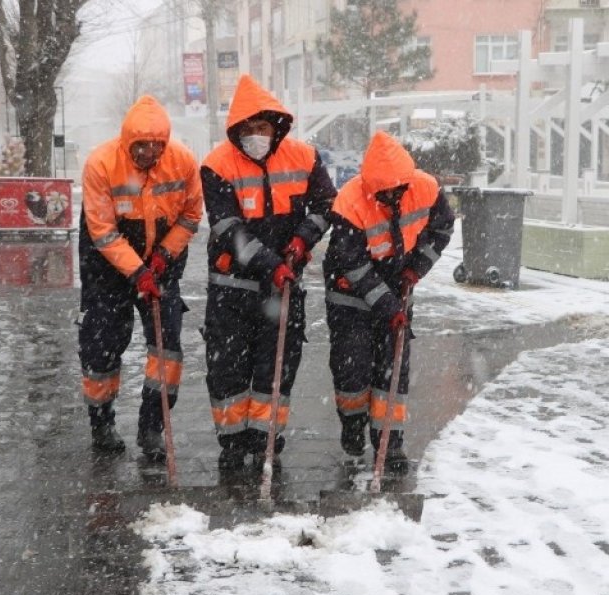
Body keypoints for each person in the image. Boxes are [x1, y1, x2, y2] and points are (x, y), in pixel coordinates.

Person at [201, 74, 338, 469]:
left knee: (275, 368)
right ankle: (231, 443)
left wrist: (301, 241)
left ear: (276, 127)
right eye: (248, 129)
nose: (256, 135)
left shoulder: (304, 158)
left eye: (262, 127)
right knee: (228, 369)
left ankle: (266, 441)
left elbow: (326, 204)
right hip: (232, 288)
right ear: (236, 131)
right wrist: (270, 264)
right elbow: (228, 228)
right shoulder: (216, 165)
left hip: (284, 287)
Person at [78, 95, 203, 456]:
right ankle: (101, 422)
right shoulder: (101, 163)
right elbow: (102, 230)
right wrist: (136, 271)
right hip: (107, 265)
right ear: (126, 141)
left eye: (156, 145)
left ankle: (152, 427)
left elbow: (191, 215)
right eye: (141, 146)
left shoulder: (182, 161)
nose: (149, 152)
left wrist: (164, 255)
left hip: (163, 258)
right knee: (101, 345)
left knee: (168, 349)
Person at [322, 131, 455, 469]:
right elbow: (353, 264)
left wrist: (416, 268)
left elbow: (441, 229)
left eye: (399, 190)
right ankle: (353, 426)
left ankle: (389, 442)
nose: (394, 197)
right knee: (352, 371)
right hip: (349, 296)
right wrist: (388, 306)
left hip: (398, 287)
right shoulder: (350, 202)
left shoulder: (425, 188)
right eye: (385, 193)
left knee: (392, 370)